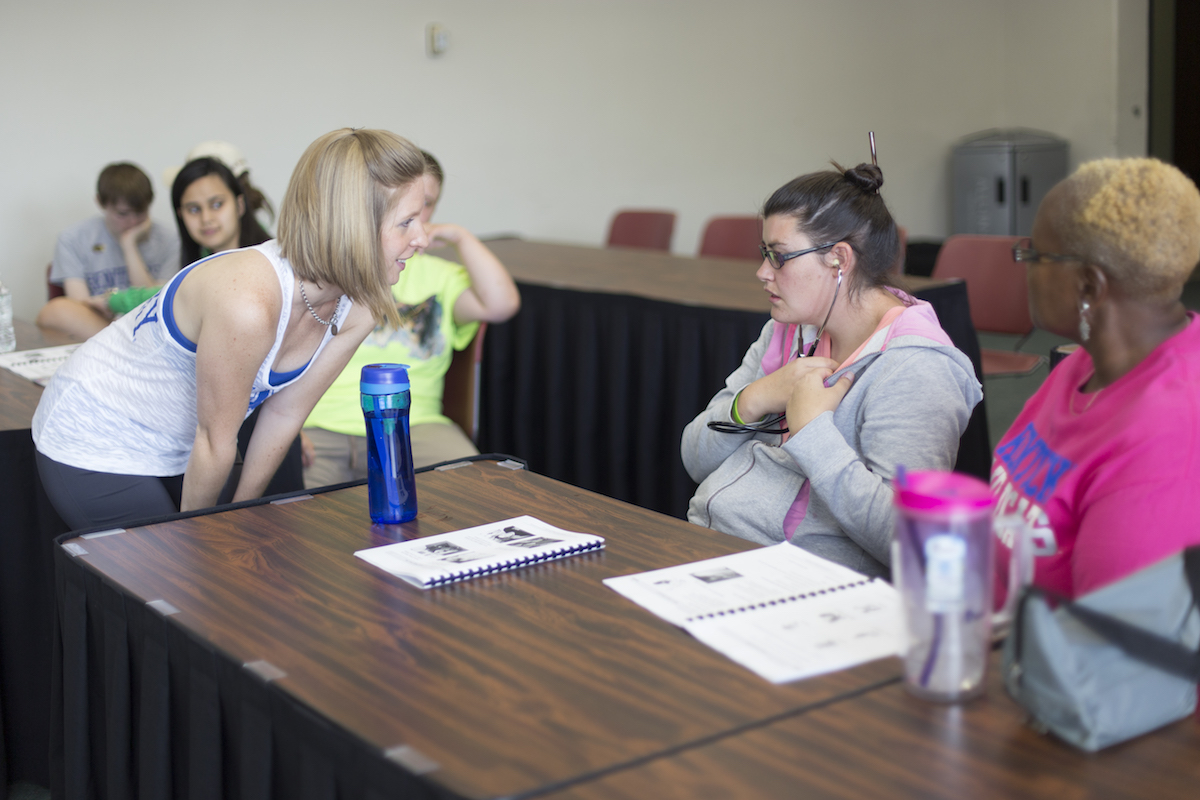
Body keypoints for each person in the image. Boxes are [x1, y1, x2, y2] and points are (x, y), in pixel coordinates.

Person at [33, 128, 430, 529]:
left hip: (182, 442)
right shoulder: (249, 302)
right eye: (406, 222)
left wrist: (239, 515)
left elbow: (285, 414)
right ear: (353, 224)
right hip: (95, 430)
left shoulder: (360, 306)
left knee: (233, 543)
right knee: (171, 575)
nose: (423, 238)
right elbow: (214, 441)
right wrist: (208, 538)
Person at [681, 159, 982, 578]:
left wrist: (813, 433)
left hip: (805, 584)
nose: (763, 272)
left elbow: (908, 542)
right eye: (764, 253)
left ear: (839, 259)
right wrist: (753, 399)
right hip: (716, 549)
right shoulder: (785, 332)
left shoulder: (916, 367)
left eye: (779, 256)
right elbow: (695, 460)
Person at [992, 157, 1200, 606]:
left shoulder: (1165, 437)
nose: (1024, 268)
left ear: (1088, 285)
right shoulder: (1083, 366)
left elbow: (1112, 659)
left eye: (1034, 255)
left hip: (1050, 670)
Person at [301, 150, 520, 484]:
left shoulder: (442, 276)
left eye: (427, 203)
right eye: (406, 202)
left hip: (415, 427)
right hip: (319, 428)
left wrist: (459, 236)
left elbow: (502, 304)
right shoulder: (331, 266)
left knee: (482, 490)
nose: (417, 212)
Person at [37, 162, 180, 338]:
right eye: (122, 214)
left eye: (140, 212)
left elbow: (154, 305)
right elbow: (79, 306)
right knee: (57, 310)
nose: (133, 222)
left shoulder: (171, 240)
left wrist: (129, 246)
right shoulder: (72, 239)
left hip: (150, 331)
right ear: (100, 202)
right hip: (99, 328)